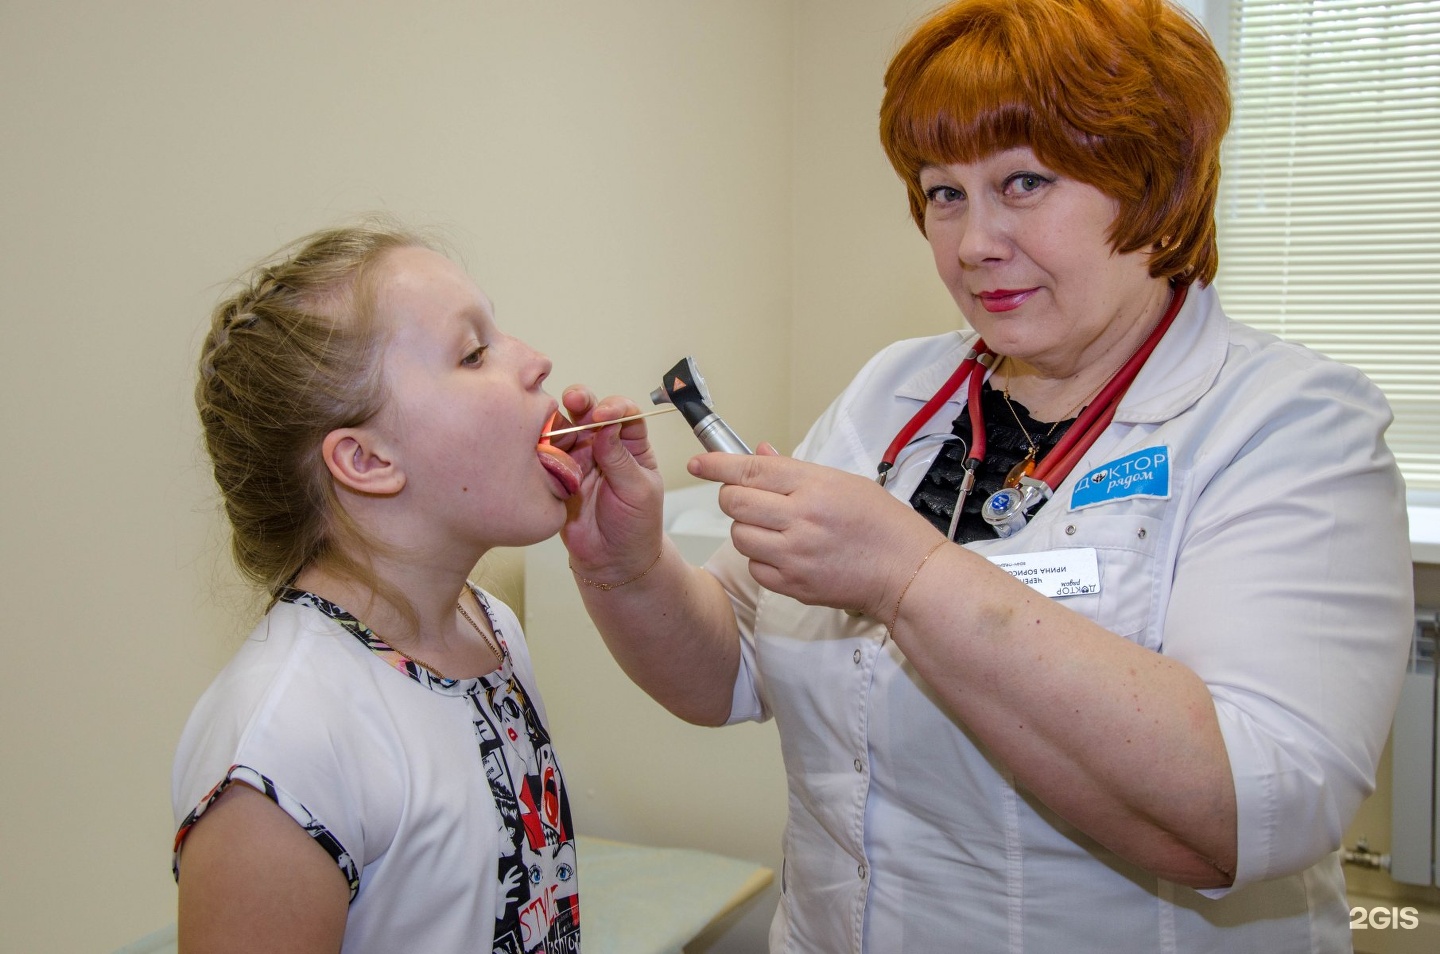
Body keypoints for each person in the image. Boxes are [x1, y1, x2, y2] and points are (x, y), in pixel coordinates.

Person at [558, 1, 1415, 950]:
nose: (973, 244)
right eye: (943, 193)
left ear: (1154, 183)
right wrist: (627, 569)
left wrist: (912, 577)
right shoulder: (891, 394)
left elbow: (1253, 811)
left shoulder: (1289, 426)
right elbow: (728, 670)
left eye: (1024, 182)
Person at [173, 222, 585, 953]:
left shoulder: (488, 627)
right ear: (365, 459)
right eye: (474, 352)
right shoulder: (281, 744)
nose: (536, 361)